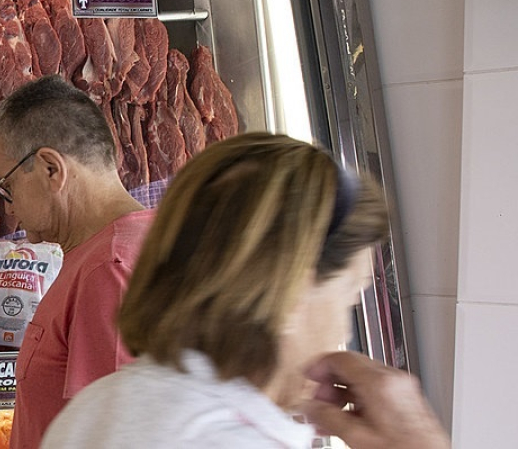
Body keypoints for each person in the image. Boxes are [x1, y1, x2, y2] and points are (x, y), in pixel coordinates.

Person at [40, 132, 450, 448]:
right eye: (351, 296)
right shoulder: (233, 439)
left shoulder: (98, 406)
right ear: (291, 292)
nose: (342, 330)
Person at [0, 75, 155, 449]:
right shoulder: (117, 249)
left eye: (6, 187)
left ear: (50, 169)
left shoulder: (108, 268)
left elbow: (117, 438)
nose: (7, 208)